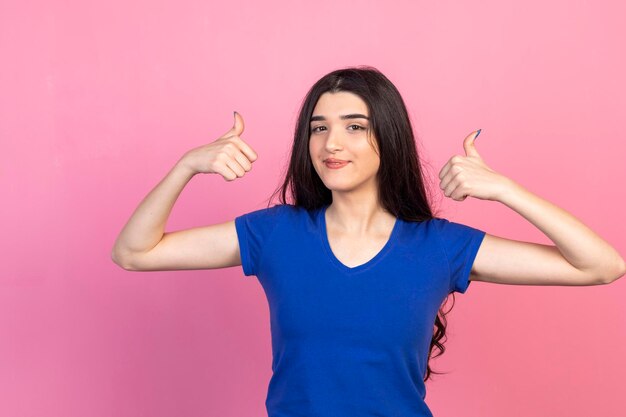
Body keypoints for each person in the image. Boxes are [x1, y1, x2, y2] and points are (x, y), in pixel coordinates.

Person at [111, 66, 625, 417]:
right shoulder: (275, 234)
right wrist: (185, 167)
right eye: (319, 128)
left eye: (354, 127)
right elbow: (134, 252)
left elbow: (601, 265)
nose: (331, 143)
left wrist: (505, 190)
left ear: (389, 136)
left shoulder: (439, 247)